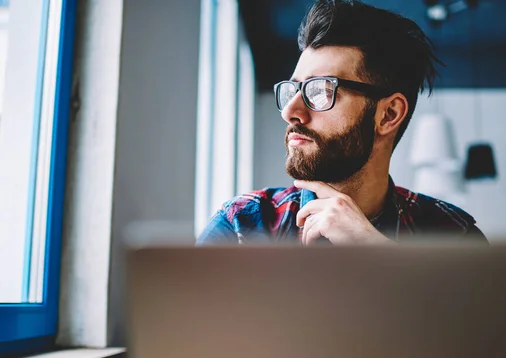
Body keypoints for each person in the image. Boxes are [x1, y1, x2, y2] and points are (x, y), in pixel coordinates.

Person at [197, 0, 487, 245]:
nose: (290, 112)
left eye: (321, 90)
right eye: (293, 90)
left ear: (388, 114)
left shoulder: (451, 234)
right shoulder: (243, 225)